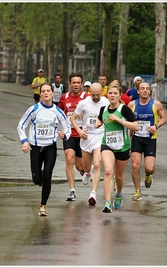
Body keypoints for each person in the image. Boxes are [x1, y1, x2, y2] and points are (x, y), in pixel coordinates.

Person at [17, 83, 71, 216]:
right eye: (43, 91)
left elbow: (67, 127)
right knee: (37, 179)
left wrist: (65, 135)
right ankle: (39, 175)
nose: (46, 93)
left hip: (50, 147)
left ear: (53, 93)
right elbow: (21, 126)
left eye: (48, 91)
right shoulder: (34, 109)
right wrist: (24, 141)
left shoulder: (58, 111)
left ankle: (43, 205)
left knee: (48, 176)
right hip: (35, 147)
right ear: (40, 94)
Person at [94, 80, 139, 213]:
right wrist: (97, 123)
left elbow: (135, 126)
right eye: (110, 93)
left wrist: (119, 120)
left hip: (122, 147)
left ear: (120, 95)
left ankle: (118, 194)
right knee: (108, 171)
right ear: (106, 95)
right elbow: (100, 119)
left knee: (119, 176)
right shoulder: (103, 109)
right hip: (107, 144)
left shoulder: (124, 109)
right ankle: (107, 202)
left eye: (115, 93)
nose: (112, 95)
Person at [71, 82, 110, 206]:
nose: (96, 97)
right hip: (87, 137)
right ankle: (88, 172)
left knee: (97, 164)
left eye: (98, 94)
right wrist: (79, 130)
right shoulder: (84, 103)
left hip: (100, 136)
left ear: (102, 92)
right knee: (86, 167)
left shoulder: (106, 102)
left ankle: (93, 194)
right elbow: (73, 118)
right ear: (89, 93)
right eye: (93, 95)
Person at [128, 82, 167, 201]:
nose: (145, 91)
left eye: (147, 89)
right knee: (135, 165)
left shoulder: (156, 104)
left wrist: (156, 126)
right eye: (142, 89)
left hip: (150, 139)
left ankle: (148, 176)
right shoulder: (131, 105)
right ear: (138, 91)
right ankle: (137, 191)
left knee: (149, 168)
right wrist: (129, 138)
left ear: (149, 91)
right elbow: (128, 121)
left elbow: (164, 118)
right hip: (137, 138)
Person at [58, 72, 88, 201]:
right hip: (69, 133)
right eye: (73, 82)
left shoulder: (86, 97)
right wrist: (59, 130)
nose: (76, 85)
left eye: (78, 82)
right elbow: (58, 114)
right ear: (70, 84)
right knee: (69, 158)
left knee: (80, 166)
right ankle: (72, 191)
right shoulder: (64, 97)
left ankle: (84, 170)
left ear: (81, 84)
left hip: (83, 135)